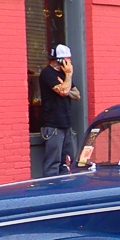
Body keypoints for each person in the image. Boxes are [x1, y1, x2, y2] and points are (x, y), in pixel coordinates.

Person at [40, 44, 81, 177]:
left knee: (68, 161)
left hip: (66, 124)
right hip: (53, 125)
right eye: (67, 59)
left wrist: (65, 85)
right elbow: (63, 91)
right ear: (59, 60)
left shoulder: (63, 75)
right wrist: (68, 76)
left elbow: (77, 95)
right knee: (53, 163)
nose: (69, 62)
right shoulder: (47, 73)